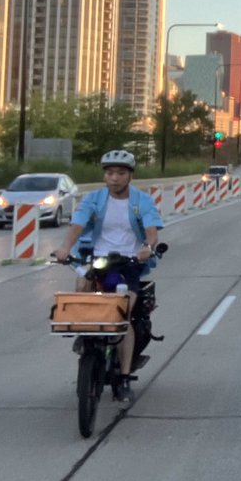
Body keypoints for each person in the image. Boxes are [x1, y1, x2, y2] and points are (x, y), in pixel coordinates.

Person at [53, 149, 163, 403]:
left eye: (121, 173)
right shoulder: (94, 199)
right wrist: (65, 249)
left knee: (123, 315)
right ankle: (86, 334)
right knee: (83, 284)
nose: (114, 178)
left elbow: (151, 230)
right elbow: (77, 225)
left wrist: (147, 248)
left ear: (130, 176)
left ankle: (124, 377)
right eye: (110, 173)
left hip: (129, 262)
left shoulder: (141, 201)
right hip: (98, 258)